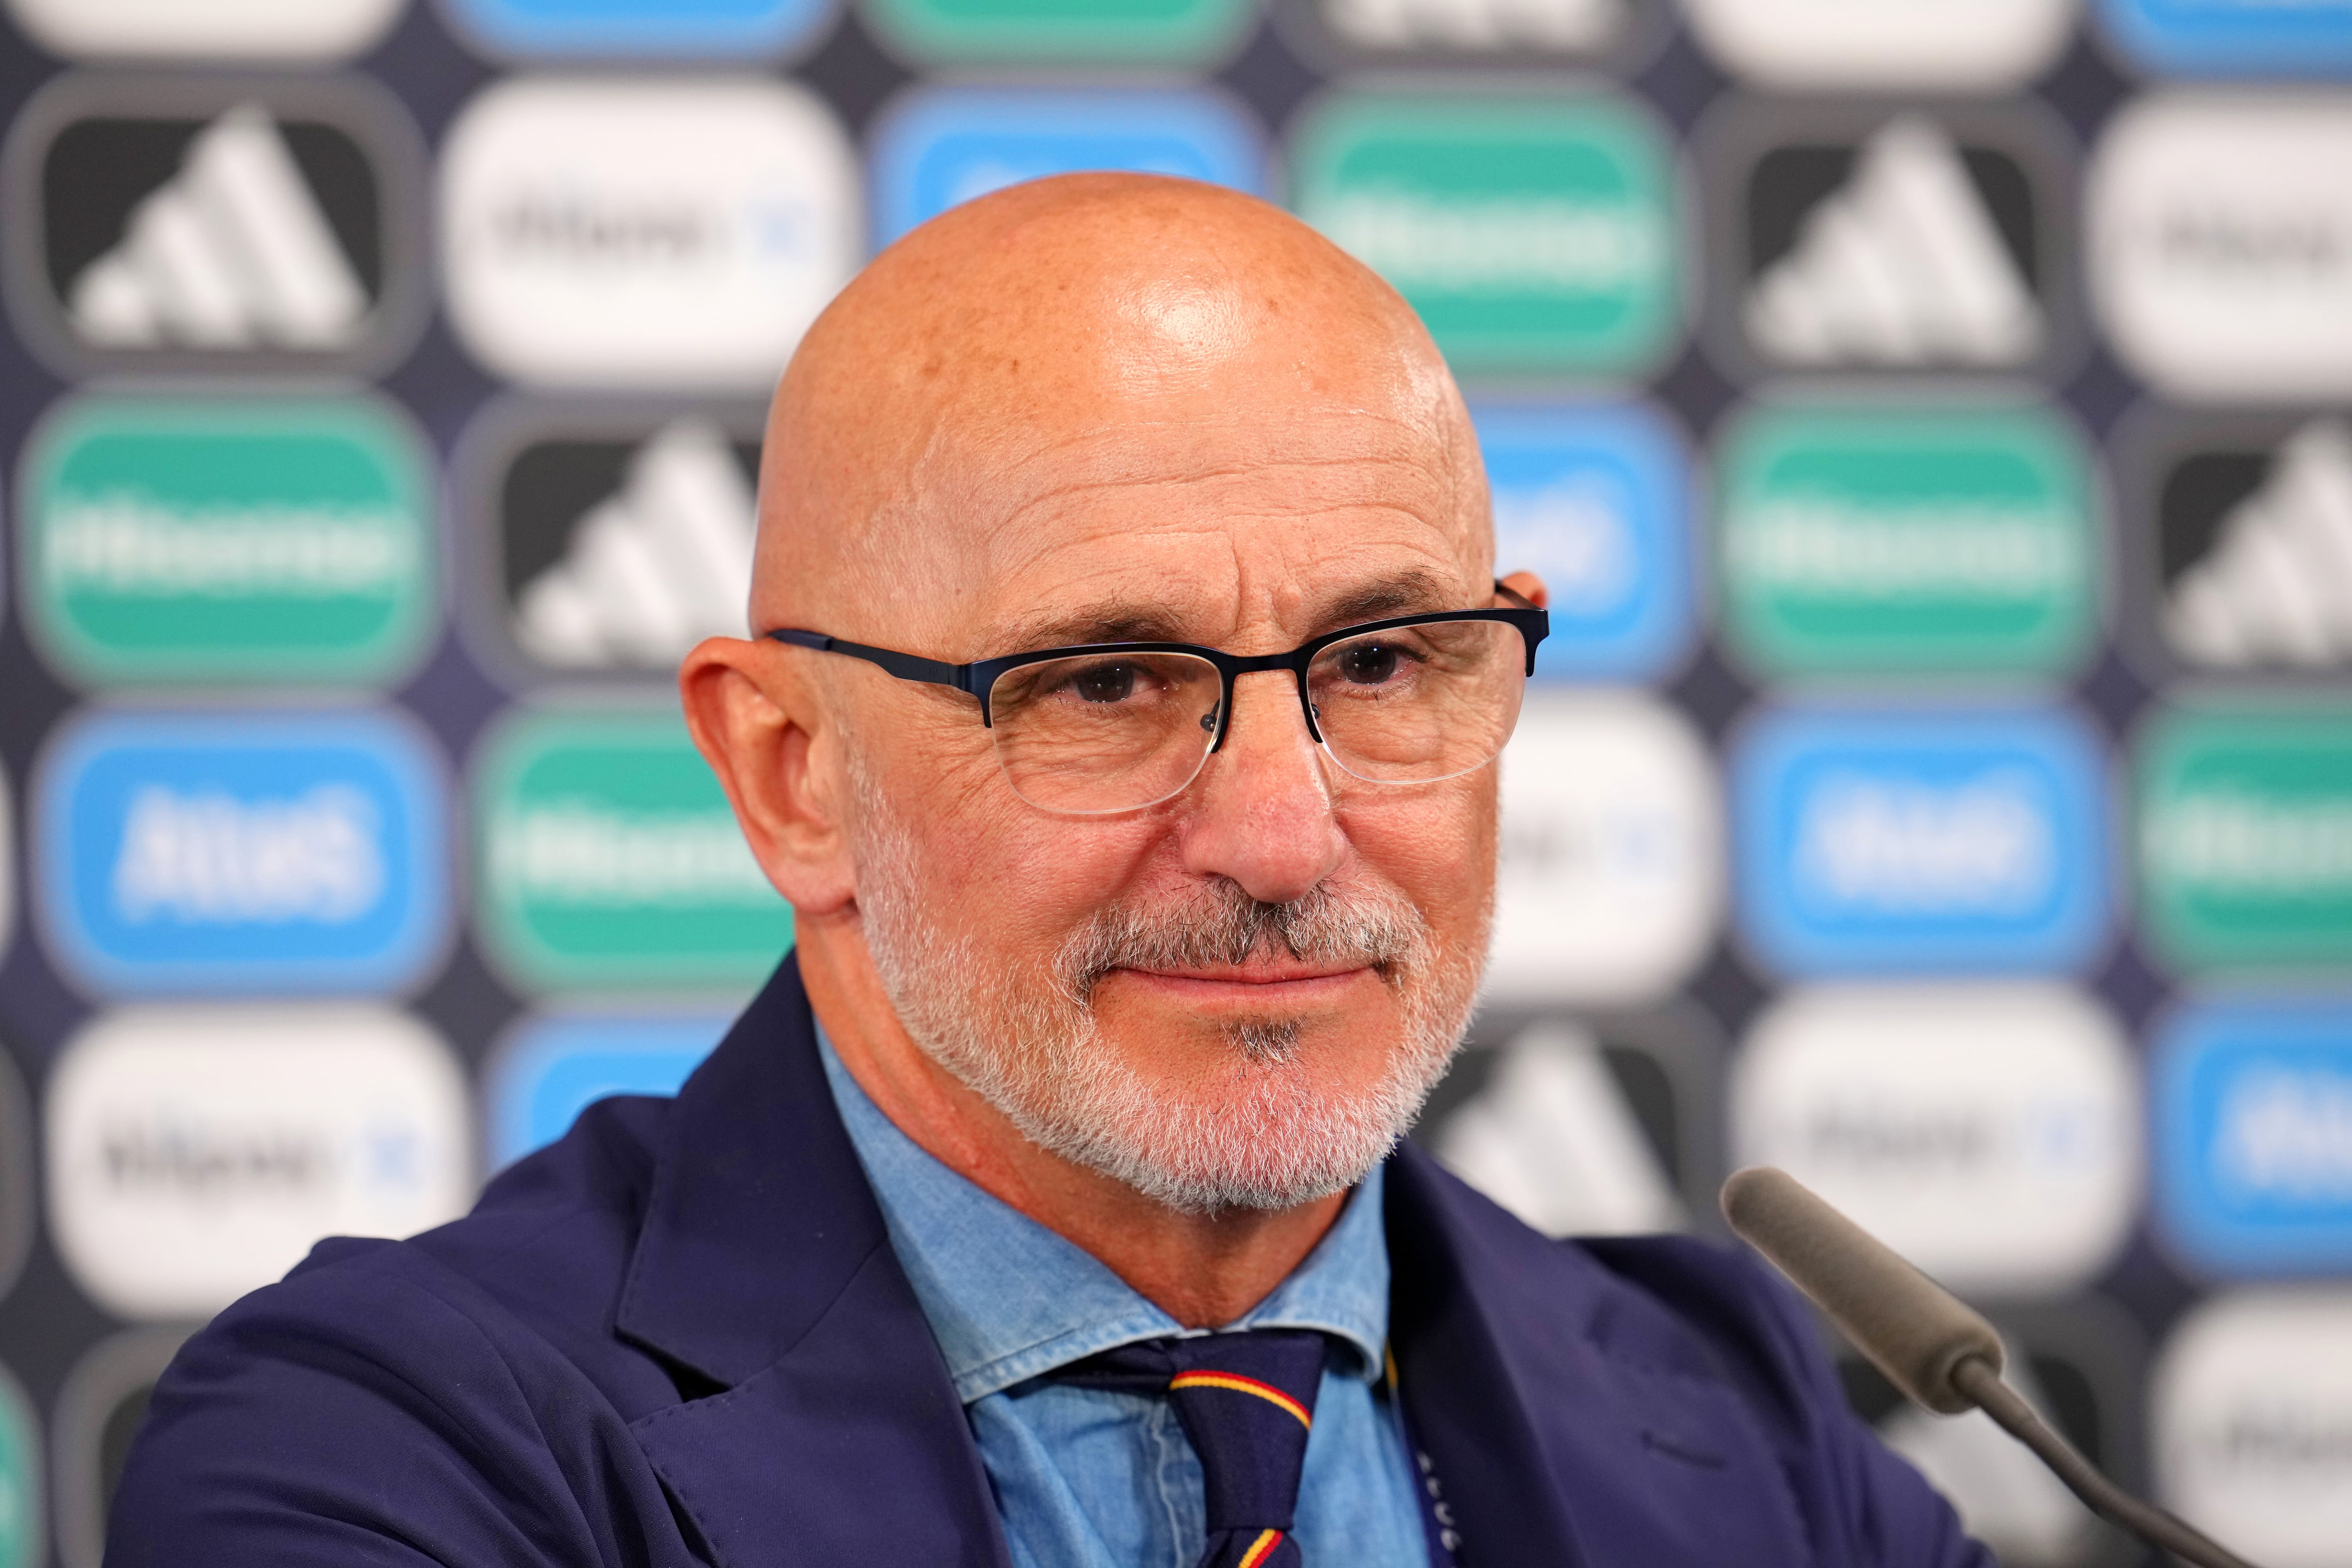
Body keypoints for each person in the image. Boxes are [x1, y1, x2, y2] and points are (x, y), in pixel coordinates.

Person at [107, 174, 1990, 1568]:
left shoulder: (1734, 1419)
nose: (1277, 835)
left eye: (1379, 664)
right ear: (791, 775)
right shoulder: (391, 1452)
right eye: (1103, 682)